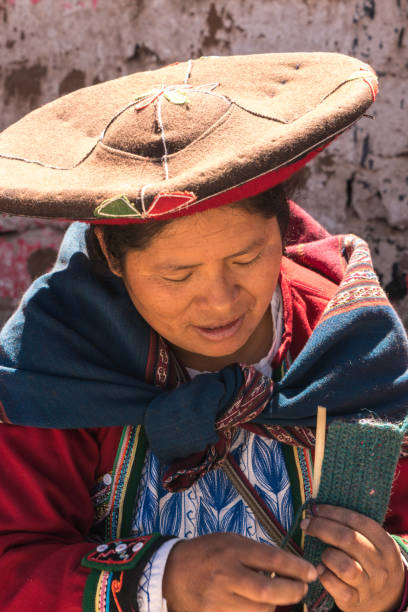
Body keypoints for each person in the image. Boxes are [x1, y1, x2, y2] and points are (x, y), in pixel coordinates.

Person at [0, 52, 407, 612]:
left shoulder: (348, 343)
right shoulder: (58, 363)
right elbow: (12, 560)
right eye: (177, 274)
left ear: (281, 227)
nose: (219, 300)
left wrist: (391, 581)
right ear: (113, 260)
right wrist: (160, 579)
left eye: (247, 257)